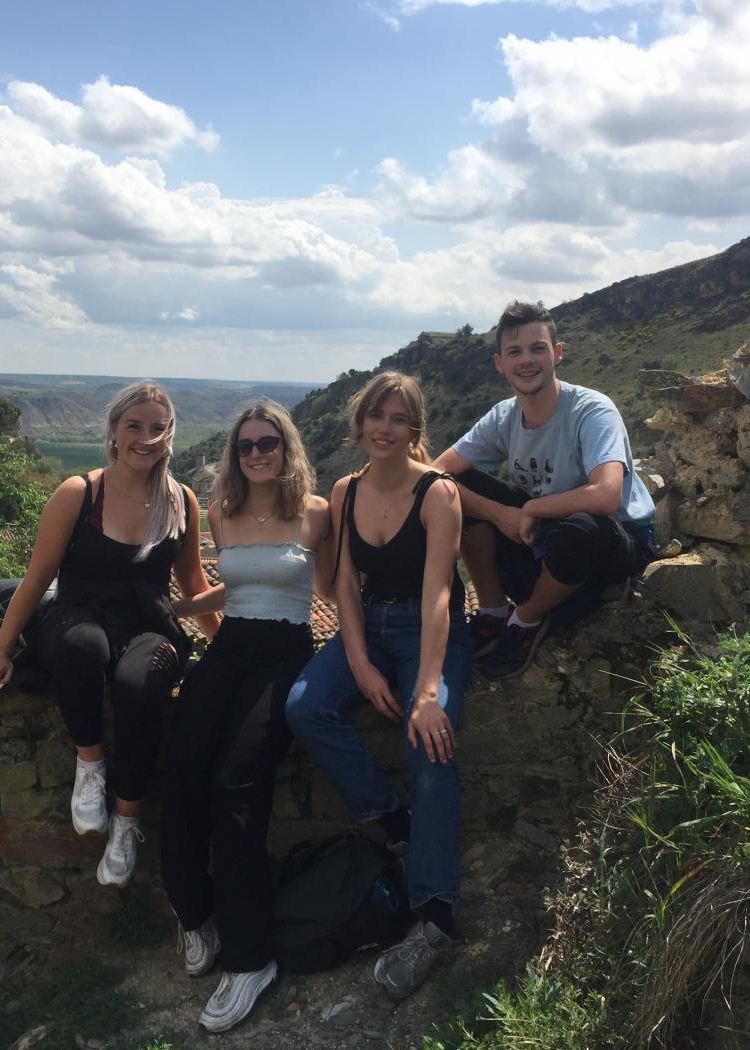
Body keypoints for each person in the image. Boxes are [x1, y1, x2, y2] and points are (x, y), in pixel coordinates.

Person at [0, 381, 216, 888]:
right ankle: (90, 765)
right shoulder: (80, 492)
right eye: (134, 426)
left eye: (157, 428)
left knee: (137, 685)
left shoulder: (182, 501)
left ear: (170, 435)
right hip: (78, 614)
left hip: (151, 623)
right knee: (83, 649)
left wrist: (225, 649)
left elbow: (194, 583)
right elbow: (37, 577)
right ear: (113, 430)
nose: (145, 438)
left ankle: (126, 823)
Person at [285, 371, 470, 1001]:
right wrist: (360, 665)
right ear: (360, 423)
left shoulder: (439, 494)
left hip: (430, 629)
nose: (384, 429)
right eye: (375, 417)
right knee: (305, 707)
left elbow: (439, 593)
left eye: (398, 419)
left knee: (431, 743)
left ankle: (434, 915)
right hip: (370, 625)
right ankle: (393, 821)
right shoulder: (346, 489)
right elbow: (343, 584)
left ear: (414, 429)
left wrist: (424, 692)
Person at [161, 401, 334, 1033]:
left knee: (238, 786)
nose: (257, 453)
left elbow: (337, 593)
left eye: (268, 443)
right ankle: (193, 914)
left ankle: (250, 957)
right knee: (180, 769)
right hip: (229, 648)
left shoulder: (315, 515)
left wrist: (367, 654)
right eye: (245, 446)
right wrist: (181, 609)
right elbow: (237, 587)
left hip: (284, 651)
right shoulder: (224, 513)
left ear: (287, 448)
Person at [433, 300, 658, 680]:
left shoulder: (591, 410)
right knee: (454, 486)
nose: (527, 361)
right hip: (540, 540)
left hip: (610, 543)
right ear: (499, 363)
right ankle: (493, 610)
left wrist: (532, 510)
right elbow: (436, 473)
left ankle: (526, 620)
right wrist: (500, 513)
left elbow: (606, 496)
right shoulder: (504, 416)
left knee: (584, 526)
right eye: (515, 351)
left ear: (557, 353)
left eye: (538, 348)